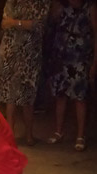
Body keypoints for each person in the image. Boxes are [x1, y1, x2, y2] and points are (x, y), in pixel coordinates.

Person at [0, 0, 51, 145]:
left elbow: (39, 25)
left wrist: (15, 22)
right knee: (10, 95)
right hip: (9, 52)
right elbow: (4, 23)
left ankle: (28, 134)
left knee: (28, 93)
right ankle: (10, 134)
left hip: (29, 54)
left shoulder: (41, 3)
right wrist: (22, 23)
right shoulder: (11, 2)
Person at [47, 0, 97, 151]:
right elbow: (52, 21)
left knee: (80, 97)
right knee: (60, 95)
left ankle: (80, 135)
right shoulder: (63, 7)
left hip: (80, 59)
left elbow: (95, 34)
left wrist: (95, 63)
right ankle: (58, 131)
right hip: (61, 58)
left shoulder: (90, 7)